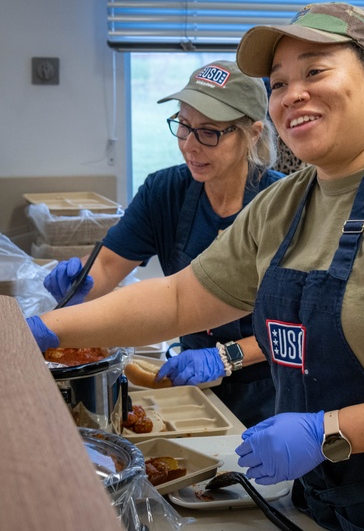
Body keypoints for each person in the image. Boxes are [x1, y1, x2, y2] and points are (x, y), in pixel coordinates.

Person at [27, 2, 364, 531]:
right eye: (279, 82)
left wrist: (327, 430)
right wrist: (44, 330)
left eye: (315, 72)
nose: (293, 94)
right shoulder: (287, 203)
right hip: (328, 490)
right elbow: (180, 298)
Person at [42, 60, 284, 427]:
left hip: (271, 391)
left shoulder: (283, 204)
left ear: (252, 132)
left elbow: (300, 324)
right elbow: (108, 267)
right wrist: (81, 283)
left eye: (209, 133)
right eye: (183, 126)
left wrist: (226, 356)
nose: (190, 145)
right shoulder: (165, 192)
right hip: (189, 382)